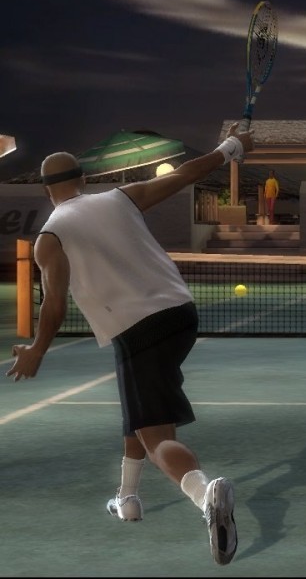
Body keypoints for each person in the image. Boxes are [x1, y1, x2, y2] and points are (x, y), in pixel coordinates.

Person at [5, 122, 255, 566]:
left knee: (157, 437)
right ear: (83, 179)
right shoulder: (120, 197)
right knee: (139, 409)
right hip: (181, 316)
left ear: (46, 191)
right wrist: (231, 147)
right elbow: (186, 174)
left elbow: (55, 303)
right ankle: (128, 498)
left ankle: (205, 495)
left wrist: (38, 350)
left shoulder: (50, 237)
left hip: (137, 329)